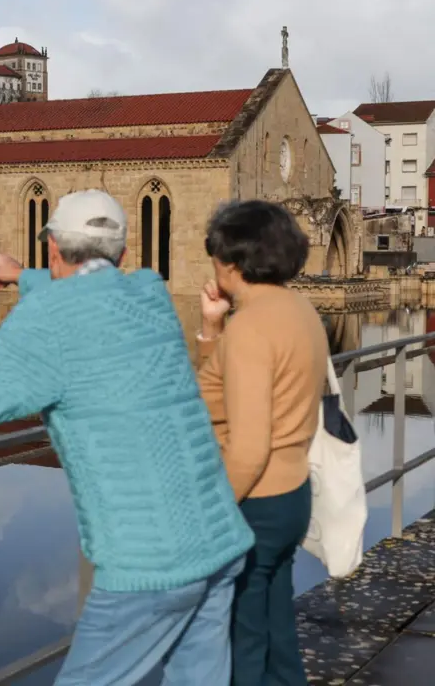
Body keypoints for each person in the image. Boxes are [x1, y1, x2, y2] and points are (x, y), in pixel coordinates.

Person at [0, 189, 253, 685]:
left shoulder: (50, 322)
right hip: (218, 538)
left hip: (150, 561)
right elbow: (94, 291)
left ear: (53, 249)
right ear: (124, 254)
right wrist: (21, 276)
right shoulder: (149, 294)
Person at [196, 200, 324, 686]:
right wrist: (213, 328)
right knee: (276, 632)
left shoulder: (250, 329)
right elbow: (227, 389)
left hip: (255, 503)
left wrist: (212, 511)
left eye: (214, 254)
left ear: (231, 261)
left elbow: (248, 448)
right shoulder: (297, 308)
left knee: (242, 643)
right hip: (292, 495)